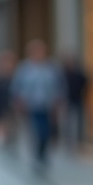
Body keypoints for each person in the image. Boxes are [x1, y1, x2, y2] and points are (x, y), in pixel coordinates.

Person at [11, 39, 65, 171]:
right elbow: (16, 87)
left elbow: (59, 86)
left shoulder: (51, 67)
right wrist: (19, 102)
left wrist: (58, 102)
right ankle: (35, 155)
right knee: (35, 132)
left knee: (46, 132)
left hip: (47, 106)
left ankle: (43, 154)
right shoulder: (24, 68)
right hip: (31, 106)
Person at [61, 54, 89, 148]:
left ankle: (79, 139)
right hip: (68, 99)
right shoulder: (64, 74)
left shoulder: (78, 73)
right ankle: (68, 139)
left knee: (79, 120)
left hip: (78, 98)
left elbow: (85, 82)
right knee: (67, 120)